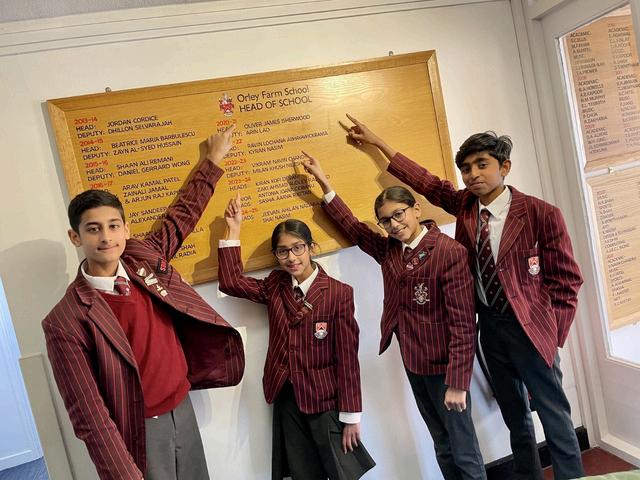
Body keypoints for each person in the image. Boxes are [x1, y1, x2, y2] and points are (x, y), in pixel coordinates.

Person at [341, 114, 584, 480]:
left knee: (554, 417)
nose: (473, 174)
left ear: (504, 167)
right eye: (466, 168)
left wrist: (552, 334)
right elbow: (425, 182)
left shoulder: (540, 214)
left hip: (532, 332)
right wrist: (378, 143)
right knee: (515, 416)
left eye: (482, 165)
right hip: (491, 329)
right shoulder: (467, 206)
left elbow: (568, 281)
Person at [42, 125, 245, 480]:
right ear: (75, 236)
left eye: (113, 226)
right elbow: (87, 413)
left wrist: (212, 160)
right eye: (93, 229)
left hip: (182, 406)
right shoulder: (65, 320)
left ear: (126, 229)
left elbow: (181, 217)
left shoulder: (143, 256)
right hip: (139, 428)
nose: (106, 237)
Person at [302, 152, 486, 480]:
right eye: (385, 221)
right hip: (414, 361)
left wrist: (458, 383)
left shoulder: (448, 252)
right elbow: (354, 229)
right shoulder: (390, 250)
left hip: (445, 368)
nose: (394, 224)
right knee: (442, 444)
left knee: (463, 448)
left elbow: (463, 323)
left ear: (416, 209)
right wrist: (324, 184)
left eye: (398, 214)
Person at [218, 194, 375, 480]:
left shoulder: (338, 293)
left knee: (341, 472)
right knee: (302, 474)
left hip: (324, 399)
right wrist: (233, 229)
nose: (291, 257)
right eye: (283, 252)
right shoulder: (275, 285)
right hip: (287, 397)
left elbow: (348, 359)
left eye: (298, 248)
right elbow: (230, 282)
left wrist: (352, 415)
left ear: (311, 247)